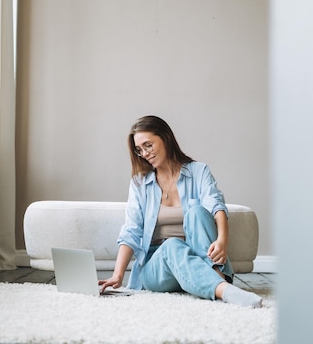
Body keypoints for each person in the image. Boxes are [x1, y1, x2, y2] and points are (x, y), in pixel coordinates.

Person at [99, 115, 262, 308]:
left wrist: (222, 240)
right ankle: (223, 290)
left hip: (198, 260)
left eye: (148, 145)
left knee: (197, 213)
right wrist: (118, 275)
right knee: (172, 245)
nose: (144, 153)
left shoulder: (198, 171)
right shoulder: (140, 183)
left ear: (166, 137)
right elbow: (131, 231)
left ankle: (214, 278)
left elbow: (215, 204)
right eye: (140, 150)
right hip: (158, 270)